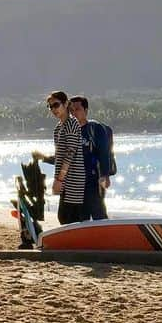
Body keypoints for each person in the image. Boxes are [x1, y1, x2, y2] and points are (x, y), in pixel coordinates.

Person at [68, 95, 114, 220]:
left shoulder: (95, 129)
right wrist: (44, 158)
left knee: (99, 215)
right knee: (82, 217)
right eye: (71, 110)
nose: (74, 113)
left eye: (77, 109)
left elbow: (104, 153)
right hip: (78, 182)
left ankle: (105, 238)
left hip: (95, 180)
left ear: (86, 110)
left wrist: (105, 175)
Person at [46, 90, 85, 224]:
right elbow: (59, 156)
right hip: (65, 181)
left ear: (66, 104)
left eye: (56, 105)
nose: (53, 109)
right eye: (50, 107)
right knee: (65, 218)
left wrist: (59, 179)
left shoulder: (71, 123)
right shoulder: (58, 127)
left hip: (74, 180)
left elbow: (70, 152)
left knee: (68, 219)